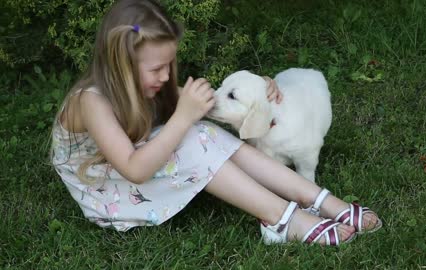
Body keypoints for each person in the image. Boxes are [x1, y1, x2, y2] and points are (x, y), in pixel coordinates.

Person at [50, 0, 381, 246]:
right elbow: (135, 170)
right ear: (121, 64)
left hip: (136, 160)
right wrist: (182, 118)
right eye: (156, 69)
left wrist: (260, 89)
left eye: (169, 65)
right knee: (193, 137)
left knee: (202, 132)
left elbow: (213, 105)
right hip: (109, 191)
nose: (166, 77)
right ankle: (283, 218)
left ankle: (320, 199)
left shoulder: (145, 84)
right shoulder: (90, 101)